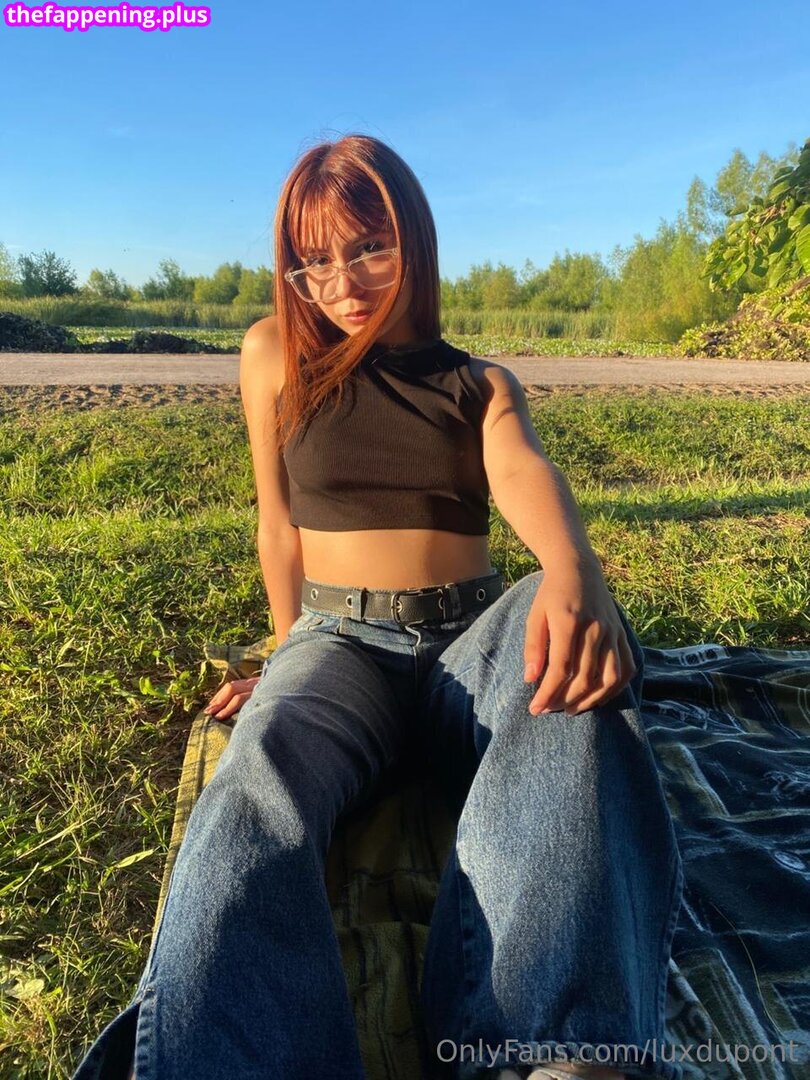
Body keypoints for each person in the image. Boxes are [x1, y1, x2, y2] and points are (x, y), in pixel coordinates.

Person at [72, 134, 684, 1080]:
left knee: (572, 696)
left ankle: (559, 1054)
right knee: (255, 774)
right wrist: (283, 656)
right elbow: (277, 526)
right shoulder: (275, 351)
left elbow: (521, 468)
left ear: (415, 239)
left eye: (368, 248)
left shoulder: (479, 382)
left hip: (471, 637)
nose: (342, 282)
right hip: (338, 639)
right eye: (313, 261)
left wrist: (574, 567)